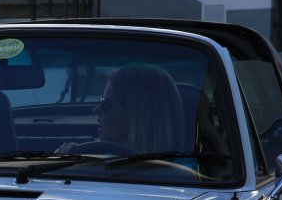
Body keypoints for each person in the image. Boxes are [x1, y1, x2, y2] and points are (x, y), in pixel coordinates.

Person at [58, 63, 187, 154]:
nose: (96, 110)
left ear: (137, 116)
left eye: (105, 104)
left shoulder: (184, 177)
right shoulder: (184, 173)